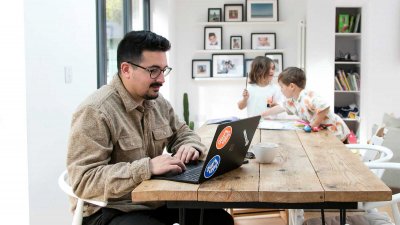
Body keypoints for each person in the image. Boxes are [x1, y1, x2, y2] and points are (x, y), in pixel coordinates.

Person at [67, 30, 234, 225]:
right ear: (126, 69)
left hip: (153, 201)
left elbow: (183, 132)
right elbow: (84, 181)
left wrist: (189, 145)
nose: (162, 79)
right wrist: (148, 167)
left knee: (220, 220)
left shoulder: (156, 101)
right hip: (110, 209)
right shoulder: (95, 111)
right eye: (153, 70)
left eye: (164, 70)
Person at [263, 67, 351, 142]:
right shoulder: (292, 101)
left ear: (292, 86)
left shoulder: (307, 96)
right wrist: (263, 114)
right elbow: (281, 107)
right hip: (325, 132)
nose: (281, 90)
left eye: (282, 87)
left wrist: (313, 125)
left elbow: (324, 107)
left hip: (336, 131)